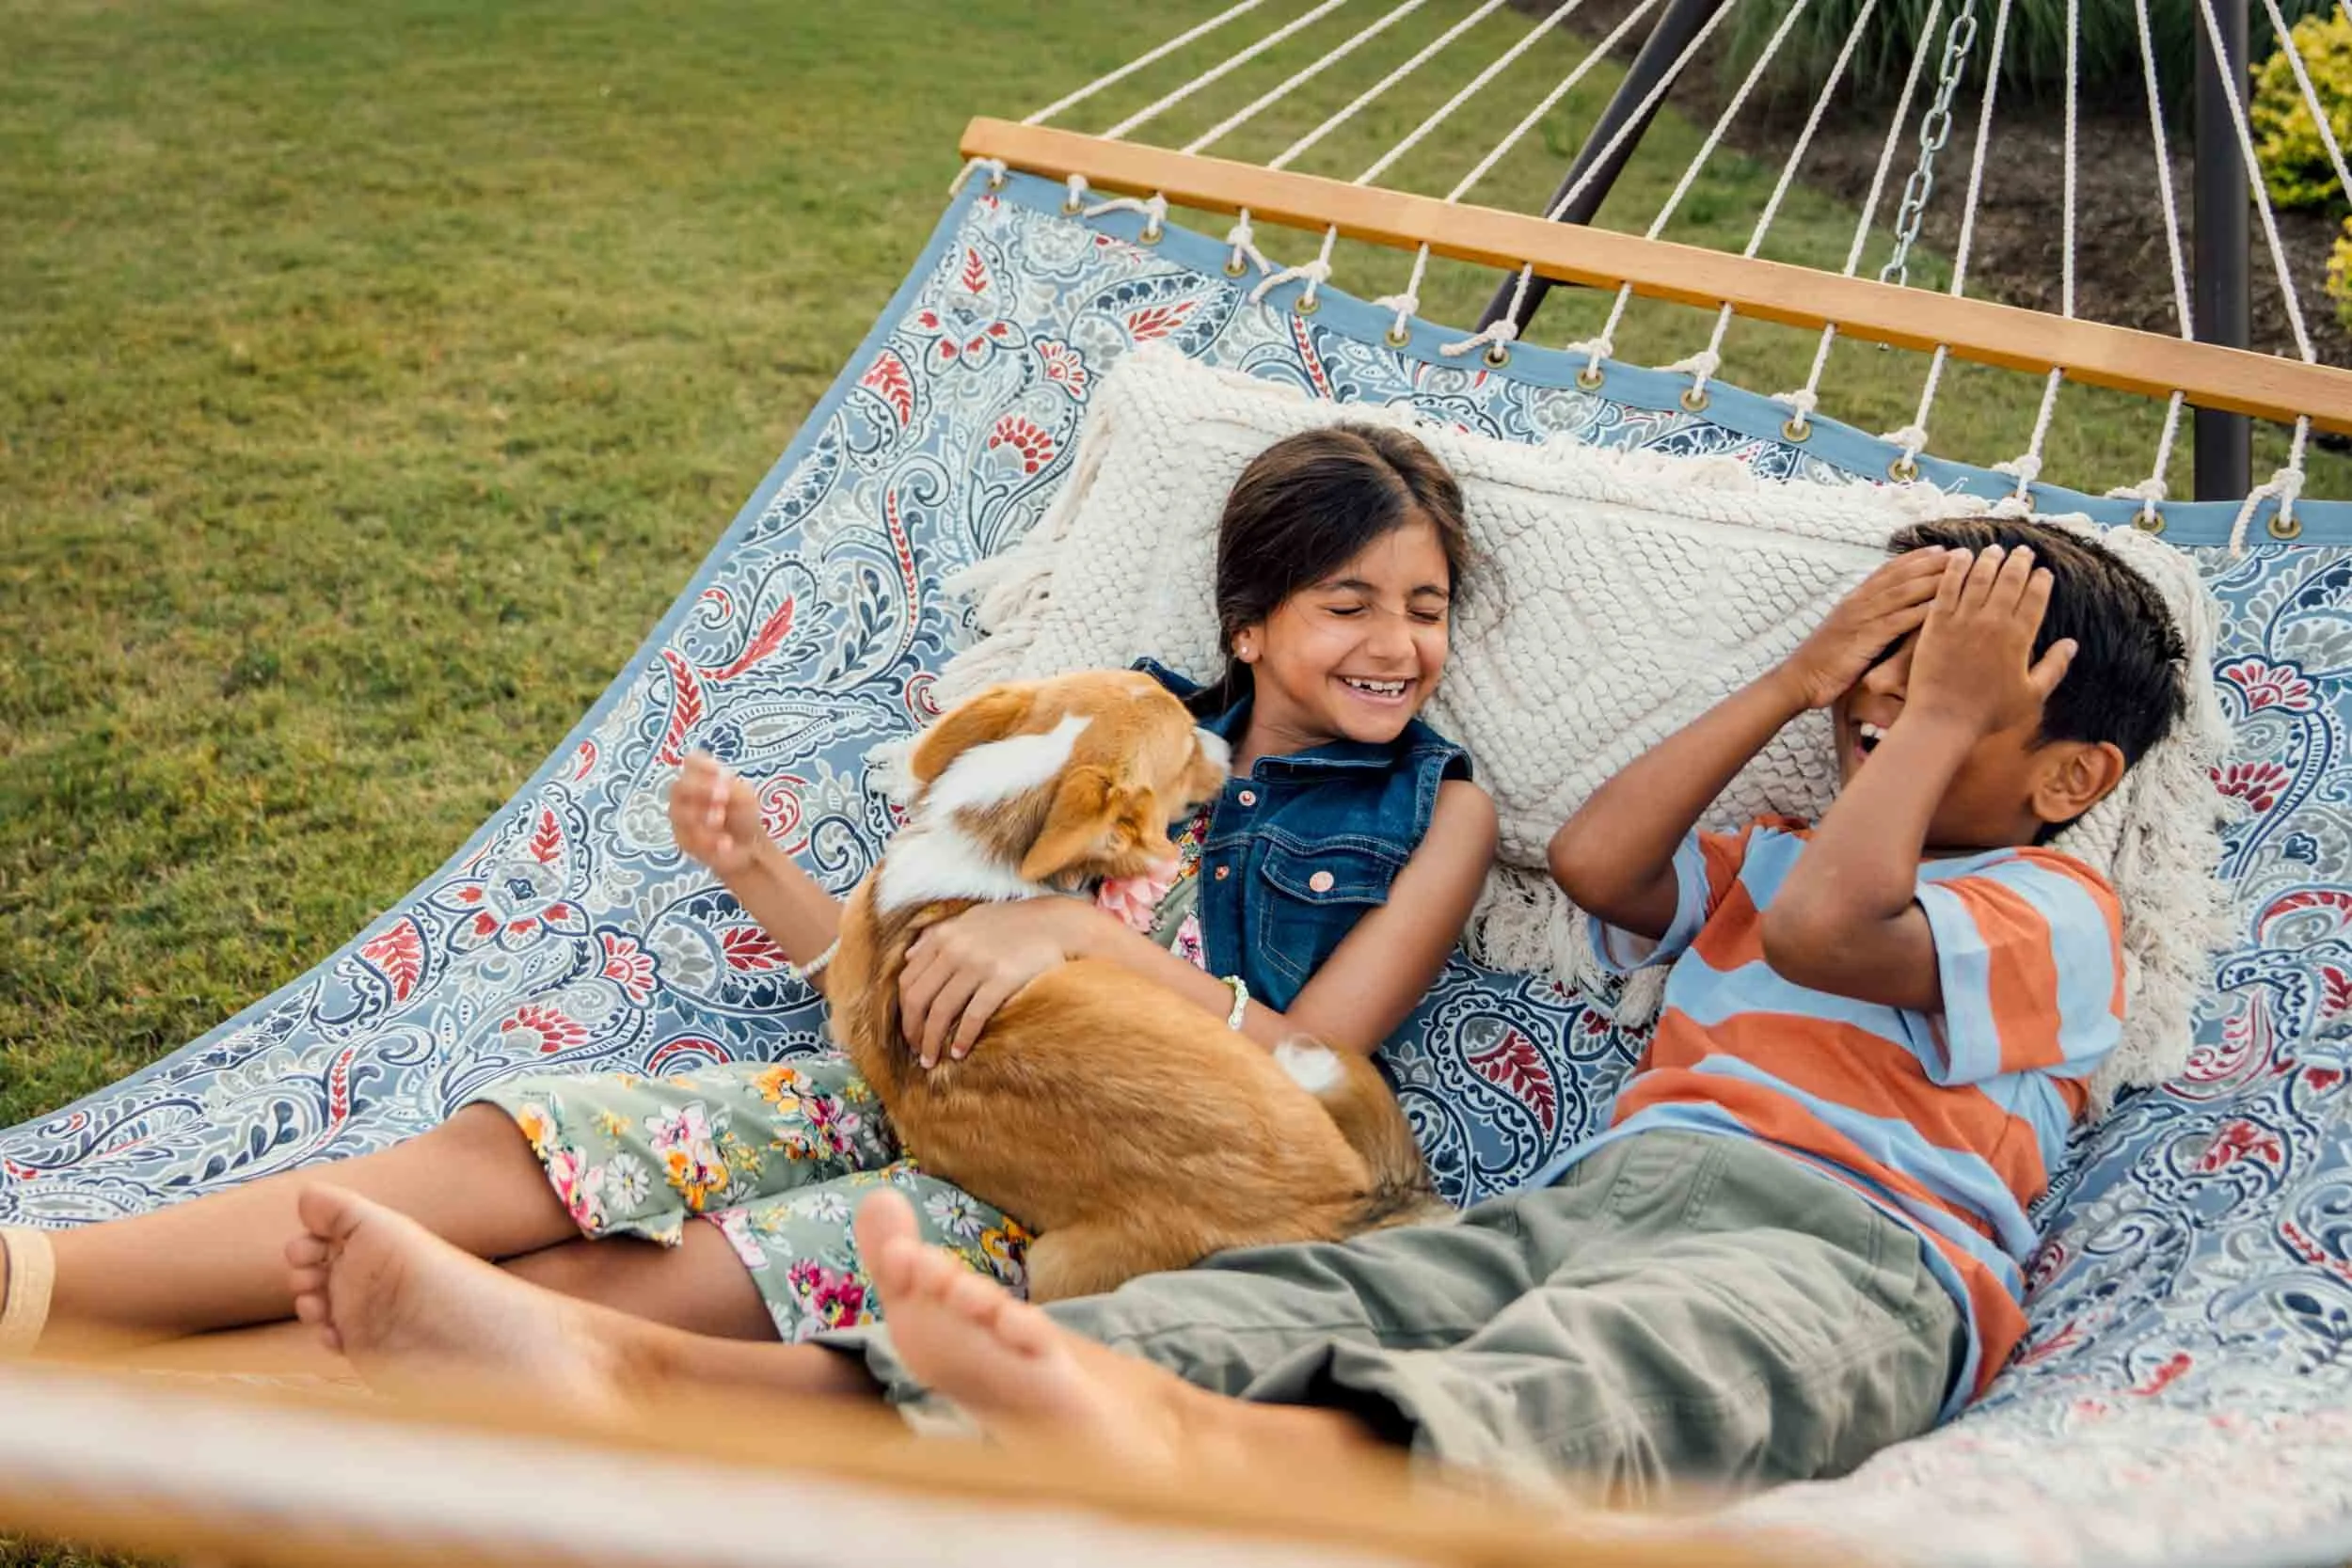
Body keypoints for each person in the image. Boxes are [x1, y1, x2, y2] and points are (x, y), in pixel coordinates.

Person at [272, 515, 2185, 1504]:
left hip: (1851, 1255)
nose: (1880, 720)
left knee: (1607, 1374)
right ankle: (657, 1382)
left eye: (1938, 703)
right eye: (1877, 689)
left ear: (2069, 771)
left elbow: (1857, 922)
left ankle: (1224, 1468)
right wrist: (1793, 678)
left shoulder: (2045, 905)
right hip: (1607, 1188)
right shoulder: (1782, 860)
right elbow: (1605, 860)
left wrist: (1929, 712)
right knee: (1280, 1299)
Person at [0, 423, 1498, 1367]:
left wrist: (1056, 927)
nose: (1395, 643)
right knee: (558, 1142)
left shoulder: (1438, 810)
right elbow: (897, 970)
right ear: (1250, 623)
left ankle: (197, 1407)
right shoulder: (1107, 721)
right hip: (913, 1072)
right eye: (1347, 602)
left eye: (1424, 608)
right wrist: (763, 870)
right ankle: (52, 1282)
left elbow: (1320, 1065)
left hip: (1104, 1167)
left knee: (648, 1269)